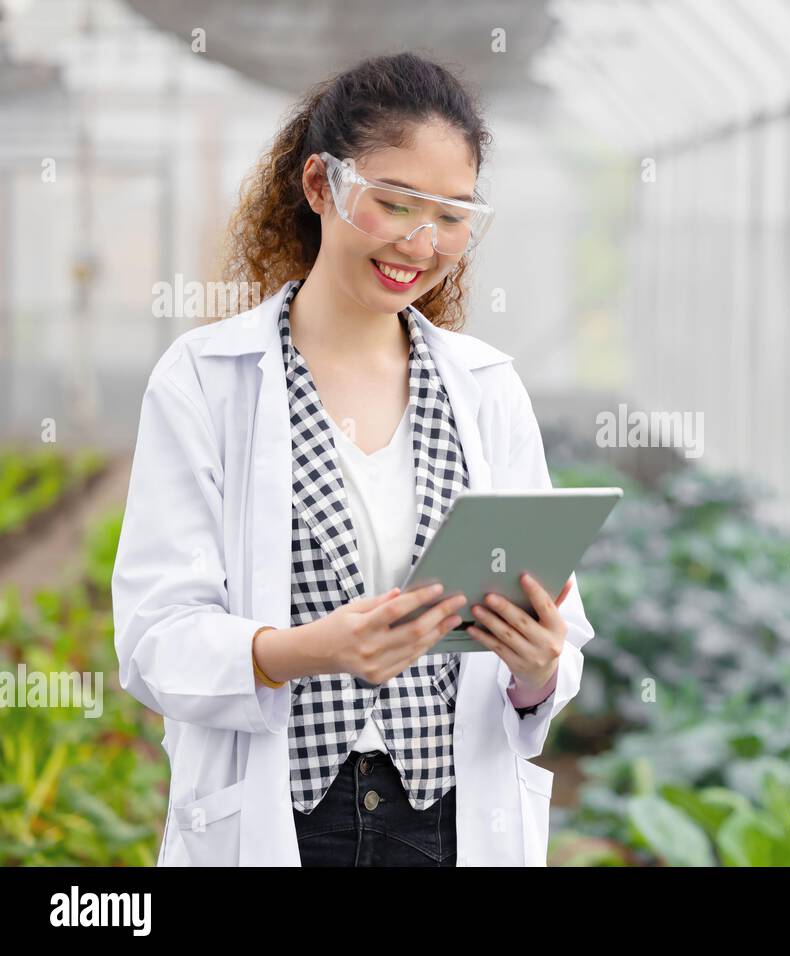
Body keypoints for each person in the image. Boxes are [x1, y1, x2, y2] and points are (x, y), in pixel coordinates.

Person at [111, 52, 593, 867]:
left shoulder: (486, 391)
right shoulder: (206, 380)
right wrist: (307, 651)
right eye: (395, 203)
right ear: (319, 186)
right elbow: (156, 640)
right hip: (288, 824)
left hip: (445, 823)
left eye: (450, 214)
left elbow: (554, 649)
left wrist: (539, 668)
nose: (421, 241)